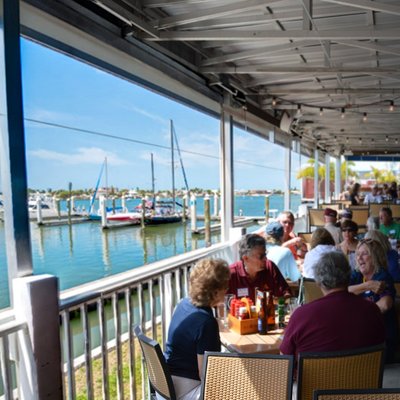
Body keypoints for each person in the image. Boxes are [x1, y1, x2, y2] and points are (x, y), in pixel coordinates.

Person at [280, 252, 384, 361]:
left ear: (319, 282)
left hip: (313, 378)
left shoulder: (302, 315)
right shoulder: (372, 310)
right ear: (349, 276)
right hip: (362, 377)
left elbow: (284, 359)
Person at [164, 258, 230, 400]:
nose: (227, 290)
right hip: (185, 389)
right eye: (225, 287)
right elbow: (207, 374)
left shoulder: (184, 303)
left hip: (166, 384)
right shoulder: (206, 322)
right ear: (216, 291)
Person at [349, 239, 398, 363]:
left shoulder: (383, 276)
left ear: (375, 257)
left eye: (364, 253)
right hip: (361, 336)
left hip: (380, 341)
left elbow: (385, 304)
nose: (359, 258)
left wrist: (356, 316)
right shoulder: (357, 275)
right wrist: (367, 286)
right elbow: (340, 291)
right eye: (357, 254)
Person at [227, 234, 292, 303]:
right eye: (261, 256)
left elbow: (287, 295)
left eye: (265, 255)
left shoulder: (269, 266)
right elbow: (222, 304)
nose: (265, 259)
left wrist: (274, 302)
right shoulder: (230, 274)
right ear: (246, 258)